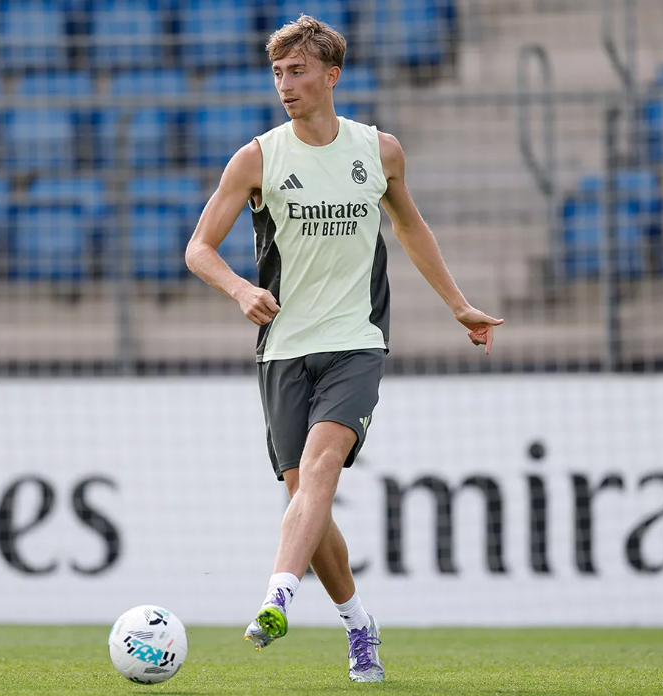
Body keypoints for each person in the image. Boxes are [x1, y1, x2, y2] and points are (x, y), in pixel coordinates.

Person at [185, 14, 503, 684]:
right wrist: (240, 290)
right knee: (307, 497)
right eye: (276, 72)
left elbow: (411, 228)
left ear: (331, 76)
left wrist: (458, 305)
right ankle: (359, 625)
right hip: (282, 348)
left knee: (322, 464)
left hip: (355, 341)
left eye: (296, 71)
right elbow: (197, 248)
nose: (284, 85)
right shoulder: (257, 158)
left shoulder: (377, 151)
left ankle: (276, 596)